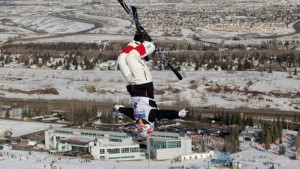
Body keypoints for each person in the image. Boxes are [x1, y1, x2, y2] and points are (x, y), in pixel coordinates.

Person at [115, 31, 187, 137]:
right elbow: (164, 114)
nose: (137, 126)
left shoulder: (136, 117)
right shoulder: (151, 117)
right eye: (140, 128)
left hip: (132, 84)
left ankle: (136, 42)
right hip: (143, 82)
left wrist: (119, 108)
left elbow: (128, 111)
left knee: (121, 59)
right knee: (132, 58)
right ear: (146, 126)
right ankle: (151, 46)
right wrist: (177, 114)